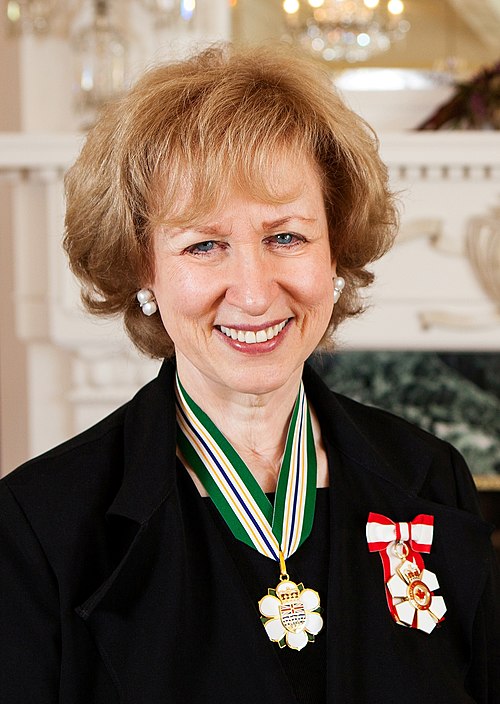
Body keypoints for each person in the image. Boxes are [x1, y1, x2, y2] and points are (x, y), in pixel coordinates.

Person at [1, 44, 498, 704]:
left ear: (335, 249)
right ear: (143, 266)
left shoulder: (431, 478)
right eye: (204, 245)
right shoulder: (40, 526)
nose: (255, 292)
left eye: (285, 236)